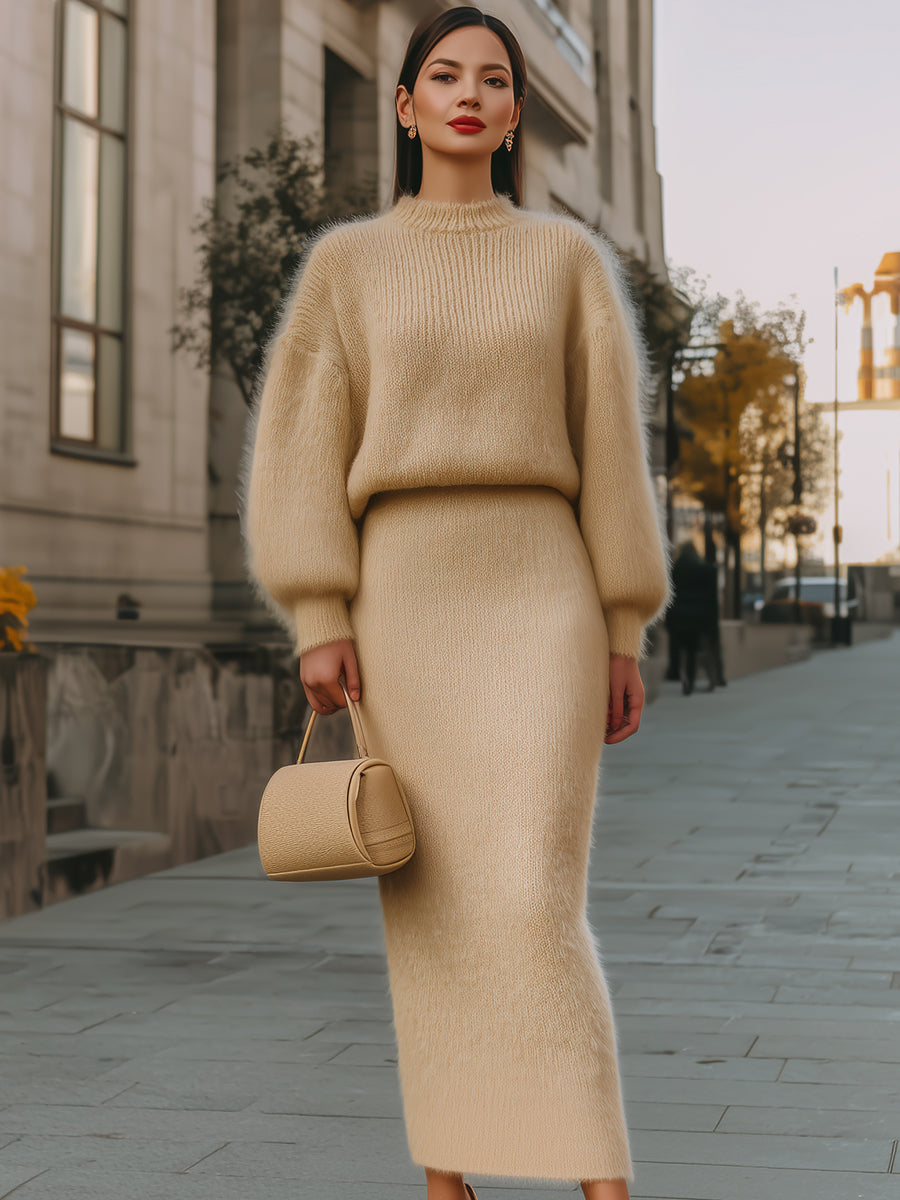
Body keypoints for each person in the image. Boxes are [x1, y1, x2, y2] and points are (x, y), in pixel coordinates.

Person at [240, 8, 672, 1200]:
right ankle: (447, 1170)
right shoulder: (348, 265)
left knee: (533, 889)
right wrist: (318, 609)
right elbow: (300, 448)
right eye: (444, 75)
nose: (469, 94)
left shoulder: (565, 262)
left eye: (494, 79)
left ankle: (592, 1166)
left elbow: (610, 455)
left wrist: (624, 625)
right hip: (404, 595)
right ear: (406, 105)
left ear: (518, 111)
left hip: (542, 588)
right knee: (428, 897)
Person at [666, 540, 718, 694]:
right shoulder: (703, 570)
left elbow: (669, 596)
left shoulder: (674, 570)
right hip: (698, 618)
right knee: (695, 650)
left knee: (683, 650)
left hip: (679, 617)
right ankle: (696, 678)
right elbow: (709, 597)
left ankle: (685, 679)